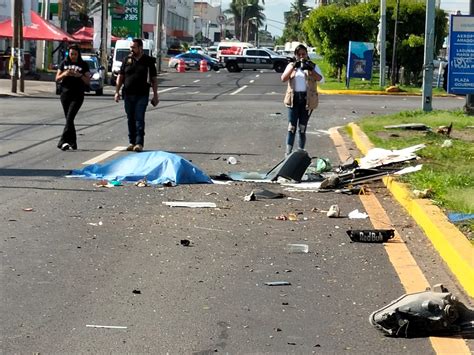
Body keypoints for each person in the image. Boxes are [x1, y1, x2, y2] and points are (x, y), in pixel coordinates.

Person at [114, 38, 159, 152]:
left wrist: (155, 95)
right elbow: (121, 76)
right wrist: (117, 91)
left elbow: (153, 79)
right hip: (128, 94)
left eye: (134, 47)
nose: (131, 49)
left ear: (140, 48)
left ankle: (139, 143)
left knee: (139, 118)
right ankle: (131, 141)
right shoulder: (127, 60)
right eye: (131, 47)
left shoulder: (148, 61)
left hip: (142, 94)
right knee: (130, 118)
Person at [281, 44, 324, 157]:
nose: (301, 56)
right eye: (298, 54)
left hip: (307, 100)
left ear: (307, 54)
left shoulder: (312, 66)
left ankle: (300, 152)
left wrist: (310, 69)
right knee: (292, 127)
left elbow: (320, 79)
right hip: (293, 99)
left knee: (302, 128)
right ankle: (288, 153)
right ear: (295, 55)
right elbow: (283, 79)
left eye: (303, 54)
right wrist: (293, 67)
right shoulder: (292, 65)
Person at [55, 44, 90, 151]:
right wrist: (65, 74)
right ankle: (72, 142)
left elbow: (87, 80)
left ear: (78, 54)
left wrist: (79, 75)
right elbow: (57, 78)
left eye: (75, 54)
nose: (73, 56)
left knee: (70, 118)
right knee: (69, 120)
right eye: (71, 54)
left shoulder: (83, 65)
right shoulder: (64, 63)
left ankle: (62, 141)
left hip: (78, 95)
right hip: (65, 94)